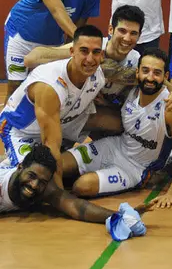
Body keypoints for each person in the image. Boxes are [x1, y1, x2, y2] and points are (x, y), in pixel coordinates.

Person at [59, 48, 172, 210]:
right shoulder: (130, 90)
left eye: (157, 73)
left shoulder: (171, 107)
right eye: (145, 71)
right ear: (137, 73)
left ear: (165, 77)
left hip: (134, 168)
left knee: (82, 186)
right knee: (59, 164)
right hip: (114, 146)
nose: (150, 78)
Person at [0, 25, 105, 187]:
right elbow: (51, 145)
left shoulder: (96, 76)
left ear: (102, 55)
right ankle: (7, 170)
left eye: (96, 52)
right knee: (34, 184)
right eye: (84, 51)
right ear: (72, 52)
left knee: (113, 122)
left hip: (56, 127)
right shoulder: (50, 85)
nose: (90, 59)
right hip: (19, 131)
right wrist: (60, 194)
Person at [4, 0, 100, 96]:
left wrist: (76, 49)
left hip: (53, 43)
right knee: (16, 89)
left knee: (53, 86)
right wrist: (85, 42)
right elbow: (57, 11)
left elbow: (77, 27)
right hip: (21, 36)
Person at [1, 143, 147, 241]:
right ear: (20, 167)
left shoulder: (43, 188)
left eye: (42, 181)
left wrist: (118, 216)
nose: (34, 185)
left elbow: (77, 207)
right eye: (31, 176)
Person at [24, 5, 144, 109]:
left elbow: (126, 102)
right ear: (111, 29)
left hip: (97, 110)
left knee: (120, 122)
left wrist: (108, 104)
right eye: (122, 31)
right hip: (67, 105)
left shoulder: (136, 61)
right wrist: (79, 55)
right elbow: (30, 59)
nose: (127, 38)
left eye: (133, 33)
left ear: (139, 36)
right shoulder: (92, 45)